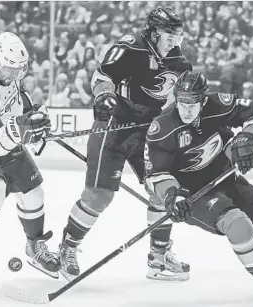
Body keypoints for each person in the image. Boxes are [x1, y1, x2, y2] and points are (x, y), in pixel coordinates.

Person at [144, 71, 253, 306]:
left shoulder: (217, 105)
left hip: (225, 176)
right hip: (192, 193)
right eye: (182, 103)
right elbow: (155, 174)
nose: (186, 110)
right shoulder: (162, 128)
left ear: (203, 100)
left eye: (192, 104)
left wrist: (246, 140)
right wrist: (172, 197)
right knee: (238, 224)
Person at [58, 7, 192, 282]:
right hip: (115, 127)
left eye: (178, 36)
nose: (175, 42)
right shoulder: (130, 48)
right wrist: (104, 97)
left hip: (148, 131)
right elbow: (102, 77)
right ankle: (67, 248)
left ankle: (158, 255)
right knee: (99, 196)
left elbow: (181, 99)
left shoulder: (179, 60)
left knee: (162, 186)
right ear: (154, 33)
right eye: (169, 35)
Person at [0, 32, 60, 296]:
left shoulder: (5, 70)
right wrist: (18, 131)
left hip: (1, 132)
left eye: (20, 69)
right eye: (10, 69)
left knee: (33, 192)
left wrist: (32, 117)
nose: (16, 75)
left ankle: (34, 247)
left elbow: (16, 97)